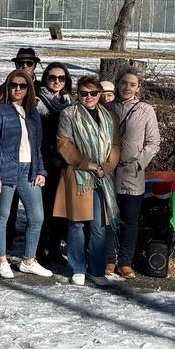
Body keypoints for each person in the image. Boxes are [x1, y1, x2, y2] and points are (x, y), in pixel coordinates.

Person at [0, 69, 53, 279]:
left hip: (29, 170)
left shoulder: (32, 113)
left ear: (28, 89)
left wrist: (40, 170)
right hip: (5, 171)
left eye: (22, 86)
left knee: (37, 217)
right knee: (2, 216)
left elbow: (37, 145)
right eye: (13, 85)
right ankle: (2, 259)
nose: (17, 89)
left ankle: (29, 260)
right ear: (7, 86)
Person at [55, 76, 121, 286]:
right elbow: (64, 144)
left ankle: (96, 268)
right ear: (78, 95)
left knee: (99, 226)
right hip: (79, 175)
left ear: (100, 94)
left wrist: (107, 167)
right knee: (76, 223)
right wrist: (88, 164)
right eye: (84, 93)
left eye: (93, 93)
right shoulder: (69, 115)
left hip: (103, 177)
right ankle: (78, 267)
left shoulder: (109, 116)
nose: (89, 97)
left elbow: (116, 146)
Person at [107, 69, 160, 278]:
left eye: (132, 84)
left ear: (138, 87)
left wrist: (139, 163)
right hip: (109, 172)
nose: (127, 88)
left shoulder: (145, 110)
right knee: (110, 218)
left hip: (132, 173)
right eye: (123, 83)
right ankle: (108, 259)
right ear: (117, 84)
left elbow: (153, 142)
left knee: (130, 220)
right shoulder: (107, 108)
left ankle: (125, 261)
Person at [34, 62, 73, 267]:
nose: (56, 81)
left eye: (61, 78)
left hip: (65, 163)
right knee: (43, 209)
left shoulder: (70, 103)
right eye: (52, 77)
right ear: (45, 79)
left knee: (60, 209)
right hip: (44, 161)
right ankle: (39, 250)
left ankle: (56, 248)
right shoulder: (37, 102)